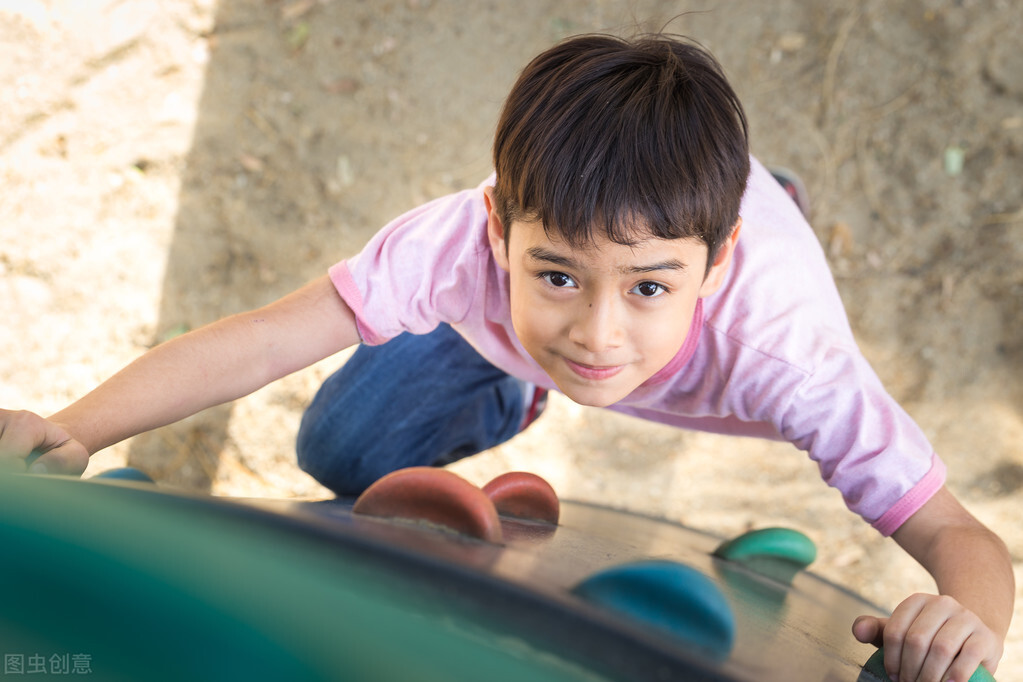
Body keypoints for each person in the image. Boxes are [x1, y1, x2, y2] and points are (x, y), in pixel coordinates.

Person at [0, 32, 1011, 682]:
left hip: (745, 260)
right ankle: (515, 380)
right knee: (346, 447)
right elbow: (269, 334)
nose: (599, 334)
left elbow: (964, 537)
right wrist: (72, 427)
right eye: (559, 274)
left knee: (664, 250)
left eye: (650, 286)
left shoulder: (788, 355)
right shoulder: (456, 246)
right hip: (511, 315)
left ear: (717, 264)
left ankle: (765, 191)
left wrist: (963, 626)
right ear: (498, 228)